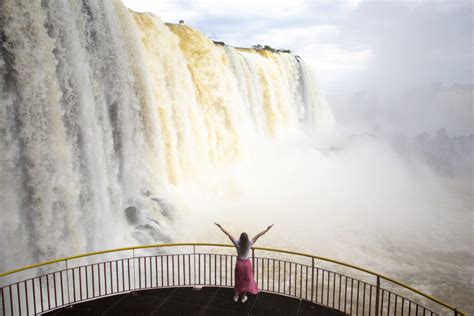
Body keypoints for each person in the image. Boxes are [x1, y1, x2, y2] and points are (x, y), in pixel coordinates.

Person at [214, 223, 274, 303]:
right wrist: (267, 229)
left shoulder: (237, 243)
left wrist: (220, 227)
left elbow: (228, 234)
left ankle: (236, 296)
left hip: (239, 264)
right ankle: (243, 298)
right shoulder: (249, 243)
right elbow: (259, 235)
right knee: (247, 280)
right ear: (247, 238)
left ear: (240, 238)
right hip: (247, 264)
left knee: (238, 279)